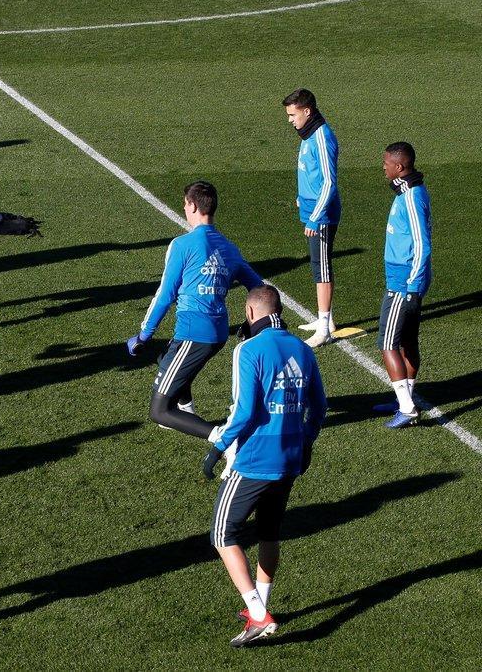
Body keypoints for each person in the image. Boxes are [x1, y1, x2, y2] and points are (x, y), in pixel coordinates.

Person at [201, 284, 325, 647]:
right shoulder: (303, 349)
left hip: (255, 459)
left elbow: (244, 412)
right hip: (291, 456)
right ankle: (263, 606)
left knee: (222, 533)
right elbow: (318, 407)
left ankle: (258, 613)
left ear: (251, 313)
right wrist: (306, 440)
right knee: (269, 532)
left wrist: (217, 446)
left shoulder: (248, 350)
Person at [127, 181, 264, 439]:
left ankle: (223, 439)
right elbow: (259, 288)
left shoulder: (182, 245)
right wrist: (252, 323)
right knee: (167, 358)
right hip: (218, 332)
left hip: (194, 333)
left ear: (191, 205)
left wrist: (143, 335)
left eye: (184, 204)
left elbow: (164, 295)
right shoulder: (229, 248)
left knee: (159, 411)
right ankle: (187, 409)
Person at [374, 142, 432, 428]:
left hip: (403, 283)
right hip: (404, 280)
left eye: (386, 163)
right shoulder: (410, 191)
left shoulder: (411, 197)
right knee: (408, 341)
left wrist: (411, 285)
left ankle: (407, 407)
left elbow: (422, 243)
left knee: (387, 343)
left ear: (399, 167)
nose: (383, 167)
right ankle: (404, 399)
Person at [282, 88, 340, 347]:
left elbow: (329, 182)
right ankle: (324, 318)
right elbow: (310, 174)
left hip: (322, 215)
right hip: (310, 210)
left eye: (293, 114)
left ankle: (325, 327)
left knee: (322, 268)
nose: (290, 120)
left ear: (307, 111)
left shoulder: (321, 137)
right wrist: (300, 197)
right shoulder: (308, 134)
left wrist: (315, 217)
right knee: (318, 266)